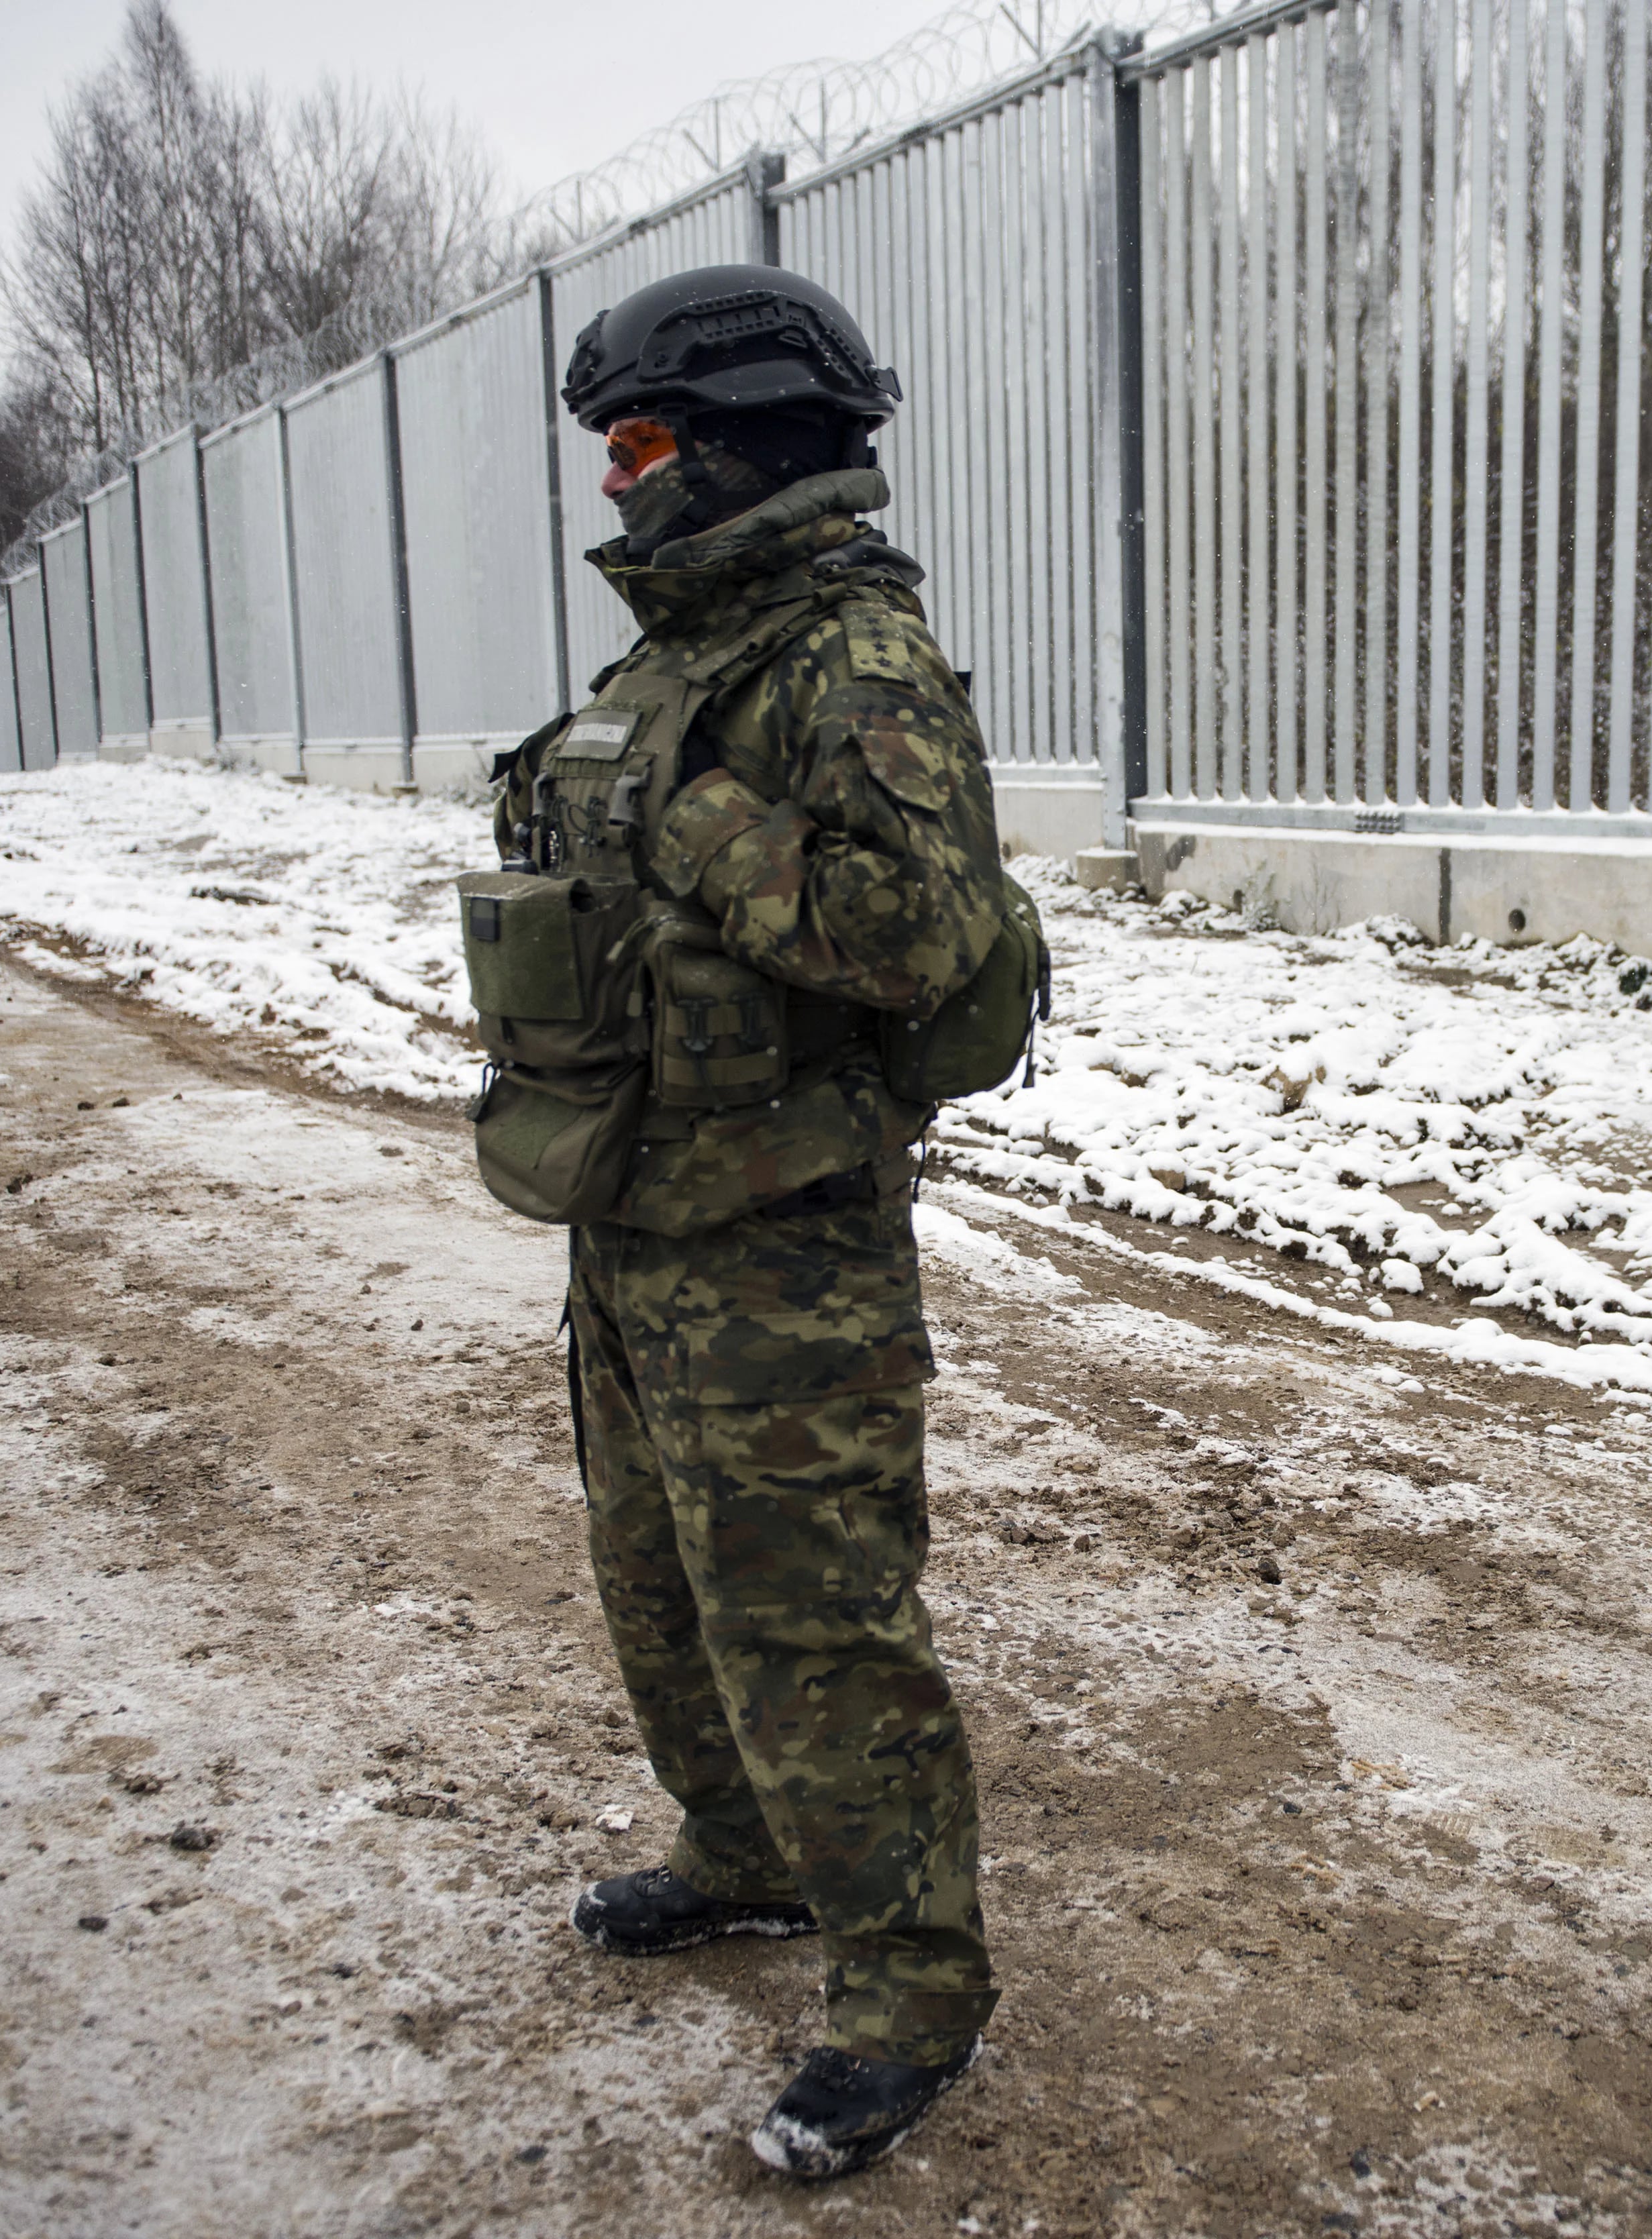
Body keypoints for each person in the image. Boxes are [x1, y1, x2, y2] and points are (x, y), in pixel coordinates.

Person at [486, 264, 1008, 2181]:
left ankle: (910, 1996)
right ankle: (746, 1855)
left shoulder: (844, 660)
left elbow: (918, 930)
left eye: (636, 444)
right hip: (631, 1211)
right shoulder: (685, 653)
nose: (615, 485)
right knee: (661, 1586)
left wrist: (690, 824)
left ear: (736, 442)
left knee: (815, 1622)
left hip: (783, 1250)